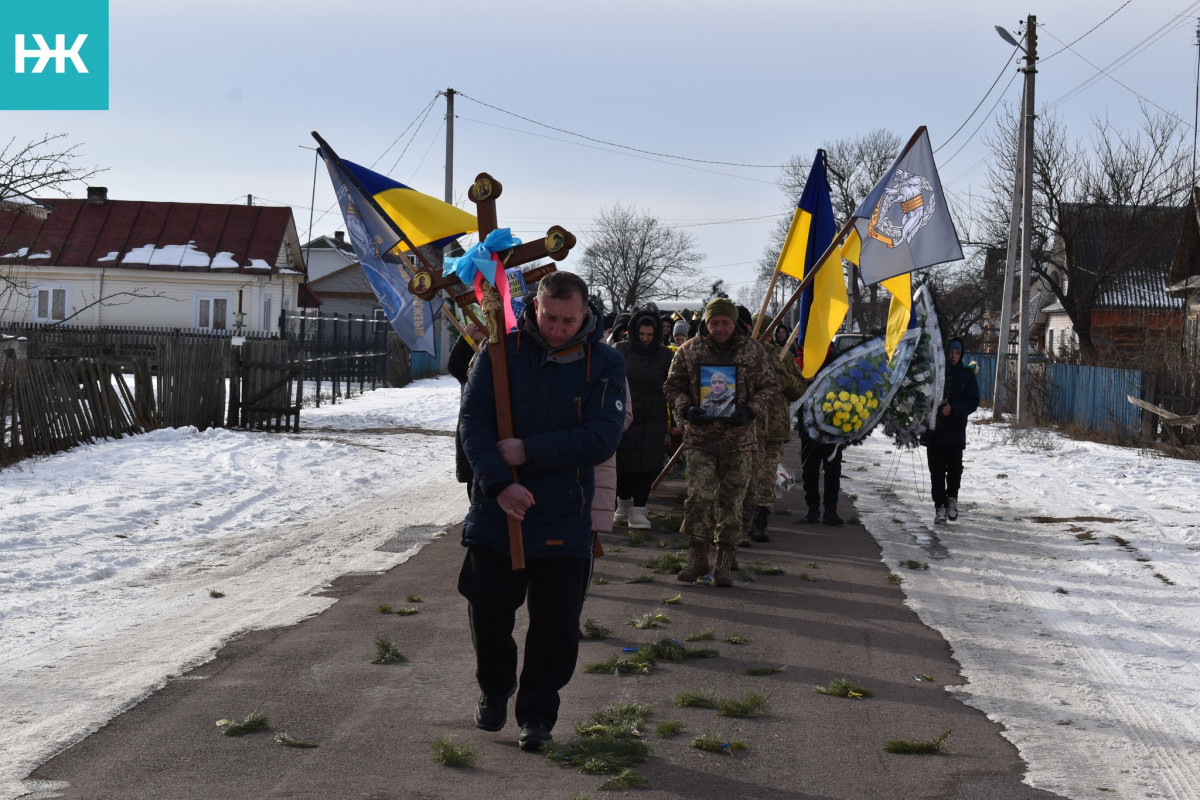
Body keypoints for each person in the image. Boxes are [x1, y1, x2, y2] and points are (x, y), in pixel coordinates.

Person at [457, 271, 626, 752]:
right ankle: (494, 687)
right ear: (534, 307)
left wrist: (526, 451)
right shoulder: (499, 352)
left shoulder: (606, 363)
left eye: (568, 320)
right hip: (497, 512)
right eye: (549, 317)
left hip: (563, 513)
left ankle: (537, 715)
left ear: (585, 314)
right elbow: (473, 423)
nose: (557, 329)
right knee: (487, 613)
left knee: (555, 625)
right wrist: (497, 485)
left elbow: (601, 437)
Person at [664, 297, 780, 587]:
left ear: (734, 323)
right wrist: (686, 408)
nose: (719, 328)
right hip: (700, 439)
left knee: (733, 503)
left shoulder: (752, 351)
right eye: (714, 322)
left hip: (739, 441)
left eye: (725, 322)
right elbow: (672, 385)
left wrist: (749, 410)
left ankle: (724, 563)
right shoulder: (689, 350)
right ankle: (696, 558)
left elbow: (770, 386)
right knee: (699, 499)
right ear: (705, 323)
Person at [741, 313, 805, 543]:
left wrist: (783, 376)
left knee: (767, 475)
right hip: (749, 426)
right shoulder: (744, 355)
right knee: (747, 474)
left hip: (774, 427)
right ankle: (741, 521)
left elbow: (799, 390)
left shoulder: (783, 357)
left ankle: (760, 521)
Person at [613, 308, 674, 530]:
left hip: (654, 418)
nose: (646, 339)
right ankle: (623, 505)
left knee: (647, 465)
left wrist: (674, 422)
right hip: (625, 416)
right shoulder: (621, 351)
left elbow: (673, 387)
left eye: (650, 335)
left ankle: (639, 509)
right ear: (634, 331)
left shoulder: (665, 355)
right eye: (642, 334)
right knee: (623, 464)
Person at [923, 337, 980, 524]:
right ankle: (939, 506)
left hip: (955, 431)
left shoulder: (967, 375)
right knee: (936, 472)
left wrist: (953, 409)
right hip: (934, 430)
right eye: (950, 353)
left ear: (961, 354)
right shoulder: (934, 373)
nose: (954, 356)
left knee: (955, 470)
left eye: (957, 353)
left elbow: (973, 401)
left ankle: (952, 499)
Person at [796, 347, 843, 525]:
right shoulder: (803, 358)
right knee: (810, 468)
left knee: (832, 468)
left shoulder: (835, 357)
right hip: (808, 423)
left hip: (833, 423)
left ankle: (831, 510)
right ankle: (812, 509)